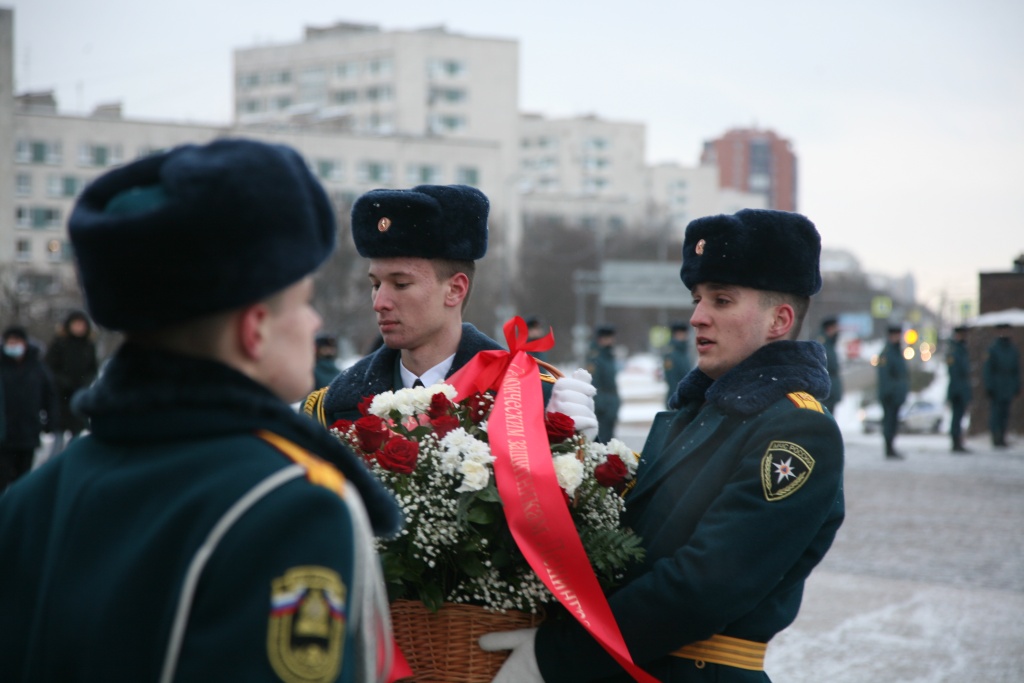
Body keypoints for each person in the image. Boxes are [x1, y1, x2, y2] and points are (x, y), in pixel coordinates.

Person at [0, 138, 403, 682]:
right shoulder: (289, 505)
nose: (313, 325)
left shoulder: (30, 500)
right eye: (303, 302)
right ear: (254, 329)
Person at [480, 208, 845, 682]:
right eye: (697, 298)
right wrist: (577, 459)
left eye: (722, 300)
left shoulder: (797, 429)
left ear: (780, 320)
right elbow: (640, 542)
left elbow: (705, 584)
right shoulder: (705, 412)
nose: (697, 317)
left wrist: (556, 656)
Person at [303, 184, 597, 438]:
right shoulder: (332, 406)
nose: (379, 302)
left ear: (455, 289)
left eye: (401, 284)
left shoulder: (530, 397)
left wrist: (572, 453)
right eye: (376, 284)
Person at [0, 325, 58, 490]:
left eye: (17, 341)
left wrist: (51, 421)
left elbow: (50, 396)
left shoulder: (37, 368)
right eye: (10, 341)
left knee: (23, 480)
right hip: (4, 436)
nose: (13, 345)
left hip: (28, 432)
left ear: (25, 343)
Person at [43, 309, 100, 456]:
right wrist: (64, 382)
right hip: (59, 396)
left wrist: (85, 382)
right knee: (58, 437)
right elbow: (49, 368)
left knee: (76, 435)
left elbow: (93, 369)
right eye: (76, 324)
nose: (79, 328)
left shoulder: (88, 346)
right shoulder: (58, 344)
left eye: (82, 324)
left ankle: (69, 461)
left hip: (79, 395)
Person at [982, 324, 1020, 448]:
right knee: (996, 413)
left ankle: (1003, 436)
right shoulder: (993, 349)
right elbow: (988, 369)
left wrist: (1017, 385)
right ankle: (996, 436)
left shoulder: (1012, 349)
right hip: (997, 385)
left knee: (1005, 413)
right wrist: (989, 386)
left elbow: (1016, 370)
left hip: (1008, 385)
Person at [878, 324, 910, 459]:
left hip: (896, 396)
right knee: (889, 423)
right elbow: (885, 377)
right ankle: (888, 448)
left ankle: (891, 447)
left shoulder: (897, 351)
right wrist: (890, 393)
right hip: (889, 396)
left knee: (893, 423)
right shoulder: (886, 353)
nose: (899, 338)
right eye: (897, 335)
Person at [587, 324, 620, 443]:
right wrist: (601, 404)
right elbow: (593, 382)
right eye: (607, 338)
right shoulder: (596, 357)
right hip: (602, 405)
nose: (610, 341)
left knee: (609, 439)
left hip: (610, 403)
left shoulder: (609, 356)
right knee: (601, 441)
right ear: (601, 339)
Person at [946, 325, 972, 453]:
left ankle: (958, 441)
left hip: (962, 390)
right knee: (956, 418)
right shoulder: (954, 351)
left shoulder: (962, 350)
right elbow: (954, 373)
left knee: (960, 417)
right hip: (957, 391)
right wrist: (957, 391)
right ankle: (955, 441)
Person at [661, 321, 691, 407]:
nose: (684, 336)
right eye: (680, 333)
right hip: (676, 399)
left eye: (684, 333)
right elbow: (671, 379)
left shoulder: (684, 352)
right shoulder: (670, 354)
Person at [819, 316, 843, 415]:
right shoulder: (822, 345)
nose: (838, 330)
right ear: (829, 328)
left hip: (830, 392)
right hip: (825, 394)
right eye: (835, 328)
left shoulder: (830, 344)